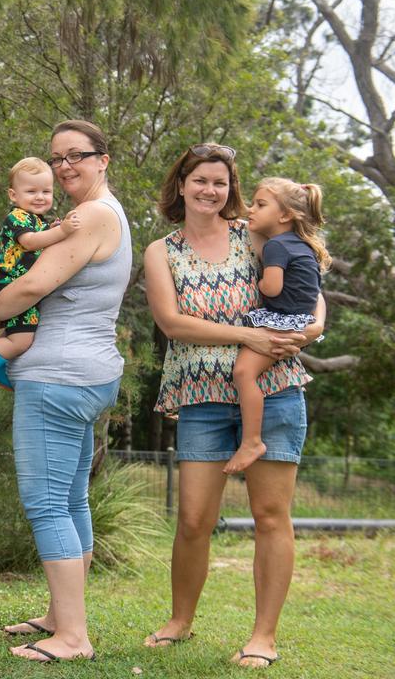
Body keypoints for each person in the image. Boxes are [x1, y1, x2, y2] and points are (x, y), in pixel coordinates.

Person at [142, 145, 324, 669]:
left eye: (219, 182)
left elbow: (310, 279)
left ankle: (263, 636)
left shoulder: (258, 233)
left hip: (275, 391)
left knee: (271, 516)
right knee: (194, 519)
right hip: (201, 396)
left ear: (231, 189)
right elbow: (173, 324)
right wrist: (250, 335)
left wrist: (312, 327)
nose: (209, 190)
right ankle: (180, 621)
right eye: (199, 180)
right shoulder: (162, 251)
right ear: (181, 185)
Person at [0, 120, 130, 663]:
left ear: (103, 159)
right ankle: (62, 617)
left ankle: (72, 638)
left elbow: (37, 283)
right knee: (69, 498)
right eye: (57, 157)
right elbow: (27, 268)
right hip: (88, 371)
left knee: (44, 503)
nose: (65, 166)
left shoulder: (88, 215)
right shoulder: (108, 213)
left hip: (59, 376)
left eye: (78, 156)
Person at [227, 178, 328, 474]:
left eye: (260, 204)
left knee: (244, 372)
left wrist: (257, 281)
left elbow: (271, 288)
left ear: (284, 215)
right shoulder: (304, 246)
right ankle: (252, 439)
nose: (251, 209)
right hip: (300, 320)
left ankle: (252, 441)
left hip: (280, 322)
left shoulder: (276, 247)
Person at [0, 157, 79, 400]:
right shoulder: (17, 217)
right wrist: (62, 231)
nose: (40, 196)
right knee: (22, 339)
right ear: (13, 195)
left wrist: (53, 228)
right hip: (7, 282)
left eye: (46, 191)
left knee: (16, 333)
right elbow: (30, 242)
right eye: (31, 191)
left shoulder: (37, 220)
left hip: (13, 282)